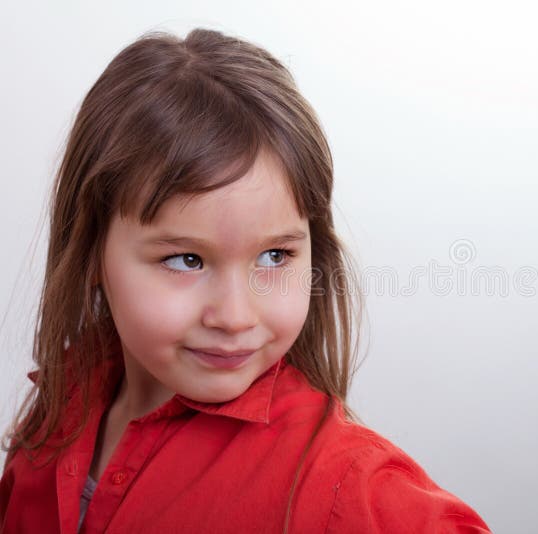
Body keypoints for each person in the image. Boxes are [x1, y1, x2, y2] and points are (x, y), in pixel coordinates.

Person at [0, 28, 491, 533]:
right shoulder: (60, 407)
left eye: (275, 255)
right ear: (92, 255)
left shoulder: (348, 483)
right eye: (186, 260)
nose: (236, 316)